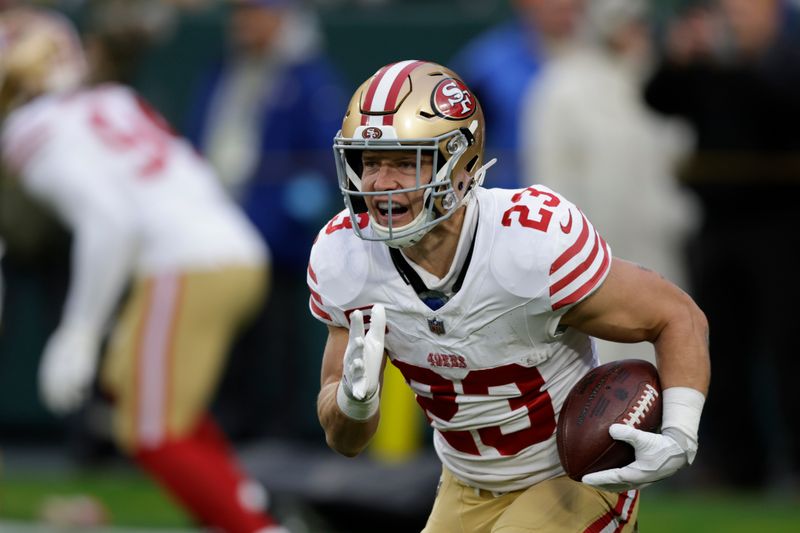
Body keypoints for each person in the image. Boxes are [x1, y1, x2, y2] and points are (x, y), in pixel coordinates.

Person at [309, 60, 710, 532]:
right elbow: (347, 441)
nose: (380, 184)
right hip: (465, 481)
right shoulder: (346, 258)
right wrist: (354, 404)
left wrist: (680, 433)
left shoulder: (529, 244)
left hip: (571, 475)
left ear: (459, 164)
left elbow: (676, 315)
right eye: (369, 162)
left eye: (404, 161)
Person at [0, 8, 287, 533]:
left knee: (151, 432)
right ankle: (245, 499)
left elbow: (110, 223)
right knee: (128, 385)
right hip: (226, 251)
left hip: (187, 265)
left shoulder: (31, 127)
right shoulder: (112, 99)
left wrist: (79, 331)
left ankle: (256, 526)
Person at [644, 0, 800, 490]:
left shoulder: (786, 61)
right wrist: (678, 58)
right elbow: (658, 98)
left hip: (782, 225)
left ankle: (792, 464)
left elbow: (779, 106)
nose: (734, 21)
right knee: (719, 347)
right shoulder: (709, 67)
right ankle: (737, 468)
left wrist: (735, 62)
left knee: (789, 348)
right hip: (716, 224)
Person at [184, 0, 346, 440]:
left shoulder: (307, 78)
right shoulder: (221, 71)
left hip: (272, 239)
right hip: (215, 230)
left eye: (256, 13)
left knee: (276, 340)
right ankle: (228, 428)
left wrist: (293, 207)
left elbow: (323, 151)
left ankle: (278, 433)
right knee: (226, 341)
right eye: (241, 14)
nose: (245, 23)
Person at [520, 0, 700, 363]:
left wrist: (674, 219)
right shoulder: (560, 86)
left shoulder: (658, 81)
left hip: (660, 252)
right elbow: (548, 180)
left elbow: (679, 156)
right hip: (591, 262)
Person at [450, 0, 584, 189]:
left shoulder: (605, 62)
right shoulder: (489, 65)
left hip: (584, 197)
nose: (564, 6)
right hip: (509, 199)